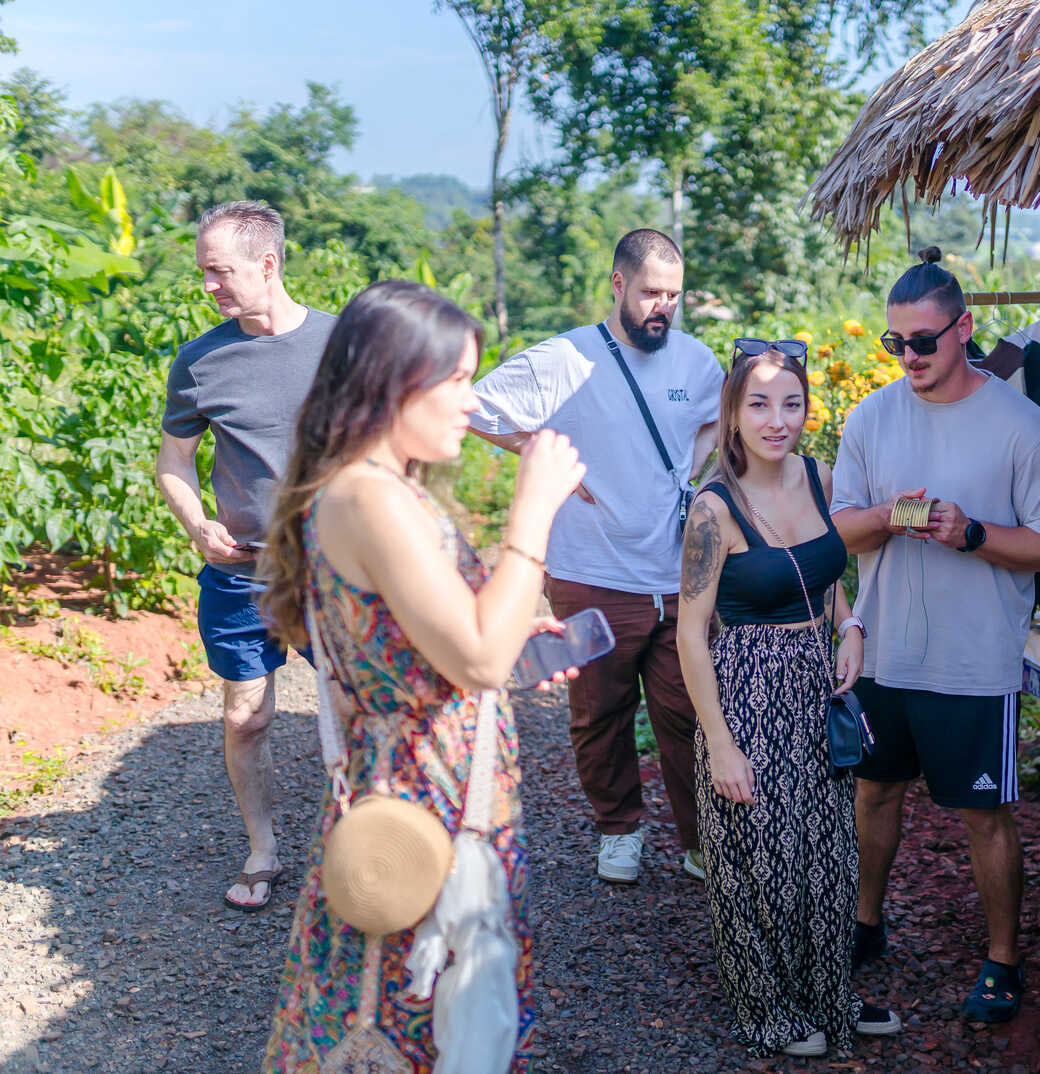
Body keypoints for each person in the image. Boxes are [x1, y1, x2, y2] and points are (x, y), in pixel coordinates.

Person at [256, 280, 585, 1072]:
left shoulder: (372, 487)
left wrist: (510, 630)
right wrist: (533, 508)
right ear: (393, 383)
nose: (472, 401)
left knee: (438, 1013)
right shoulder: (371, 497)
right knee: (411, 1014)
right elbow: (477, 657)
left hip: (428, 787)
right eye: (457, 379)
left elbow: (435, 644)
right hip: (420, 805)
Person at [829, 247, 1040, 1023]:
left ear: (963, 329)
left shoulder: (1021, 426)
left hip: (974, 660)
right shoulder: (871, 417)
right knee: (874, 792)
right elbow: (839, 531)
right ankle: (865, 925)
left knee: (983, 814)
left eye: (922, 341)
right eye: (894, 342)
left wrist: (973, 535)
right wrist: (888, 517)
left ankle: (1002, 960)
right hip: (884, 650)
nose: (907, 356)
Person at [470, 228, 725, 884]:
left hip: (678, 576)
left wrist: (692, 472)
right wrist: (542, 455)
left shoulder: (696, 361)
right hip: (589, 572)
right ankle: (619, 830)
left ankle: (701, 841)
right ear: (618, 284)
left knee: (688, 712)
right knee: (598, 713)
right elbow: (477, 407)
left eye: (673, 295)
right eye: (651, 293)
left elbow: (718, 418)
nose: (663, 307)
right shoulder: (566, 358)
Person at [677, 340, 901, 1057]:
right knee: (761, 859)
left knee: (827, 852)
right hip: (747, 689)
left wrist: (850, 626)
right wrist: (720, 744)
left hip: (815, 688)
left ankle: (828, 993)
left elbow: (822, 576)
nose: (778, 420)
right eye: (760, 405)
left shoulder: (817, 475)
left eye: (792, 404)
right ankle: (767, 1008)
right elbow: (689, 634)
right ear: (732, 415)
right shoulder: (714, 509)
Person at [155, 200, 335, 912]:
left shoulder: (344, 344)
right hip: (241, 573)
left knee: (354, 713)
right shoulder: (201, 361)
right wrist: (197, 524)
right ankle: (263, 848)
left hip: (336, 571)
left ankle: (363, 847)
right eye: (204, 272)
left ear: (268, 263)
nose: (209, 286)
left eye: (219, 272)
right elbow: (174, 460)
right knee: (245, 717)